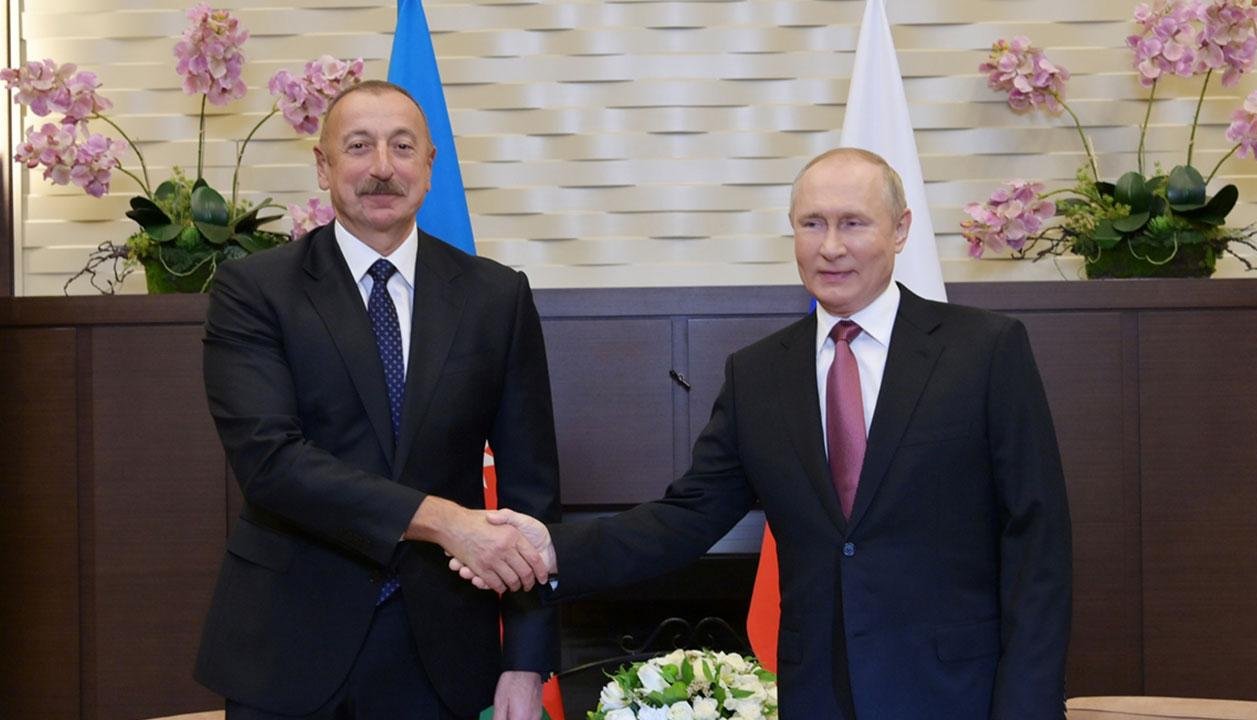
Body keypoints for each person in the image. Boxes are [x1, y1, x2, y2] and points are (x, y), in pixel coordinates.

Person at [455, 148, 1073, 719]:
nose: (831, 246)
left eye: (853, 223)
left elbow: (1037, 545)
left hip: (958, 693)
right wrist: (553, 550)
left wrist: (1028, 706)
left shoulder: (984, 350)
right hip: (818, 695)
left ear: (901, 229)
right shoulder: (758, 375)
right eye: (812, 224)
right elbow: (685, 518)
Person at [194, 79, 561, 720]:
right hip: (287, 645)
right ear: (324, 165)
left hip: (444, 653)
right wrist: (445, 521)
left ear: (429, 166)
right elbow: (271, 463)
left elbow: (532, 495)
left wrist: (526, 662)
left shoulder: (496, 297)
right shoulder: (255, 290)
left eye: (402, 146)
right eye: (359, 146)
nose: (383, 168)